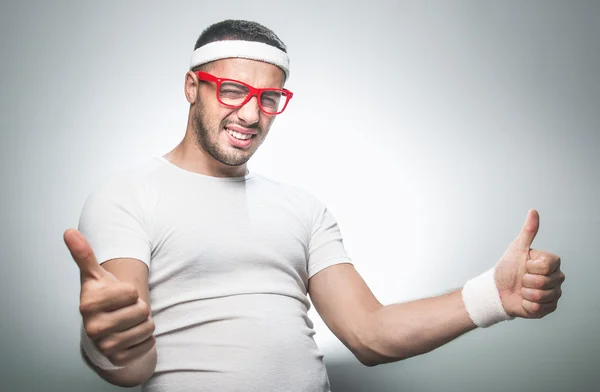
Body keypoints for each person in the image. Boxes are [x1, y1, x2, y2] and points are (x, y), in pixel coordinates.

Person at [63, 19, 565, 392]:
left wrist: (492, 297)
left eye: (268, 98)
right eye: (233, 90)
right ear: (193, 88)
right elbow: (131, 365)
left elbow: (370, 334)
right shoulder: (127, 195)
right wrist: (105, 344)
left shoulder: (301, 208)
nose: (250, 113)